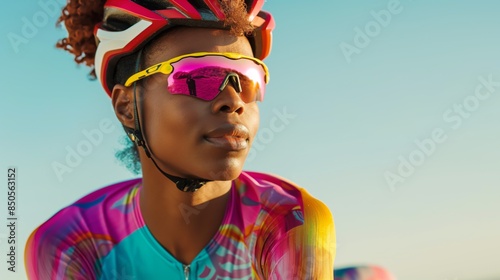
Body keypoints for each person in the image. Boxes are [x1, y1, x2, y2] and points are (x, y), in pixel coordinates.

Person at [24, 0, 336, 279]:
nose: (234, 101)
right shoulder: (67, 242)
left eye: (248, 80)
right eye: (198, 78)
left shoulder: (288, 220)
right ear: (126, 107)